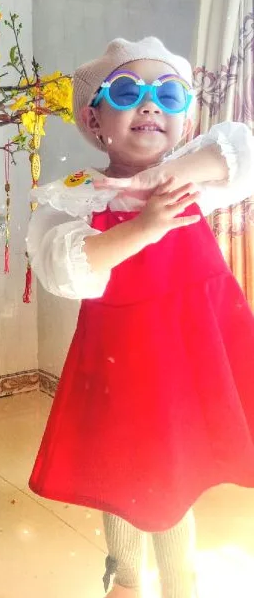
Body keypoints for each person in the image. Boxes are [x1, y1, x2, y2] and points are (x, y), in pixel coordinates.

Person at [26, 37, 254, 598]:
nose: (151, 105)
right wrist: (141, 226)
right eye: (129, 92)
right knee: (122, 465)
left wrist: (157, 183)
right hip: (123, 353)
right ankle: (126, 578)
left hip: (191, 350)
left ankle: (180, 587)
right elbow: (61, 266)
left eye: (169, 96)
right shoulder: (83, 194)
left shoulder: (192, 177)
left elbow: (240, 148)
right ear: (93, 119)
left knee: (174, 473)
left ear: (183, 120)